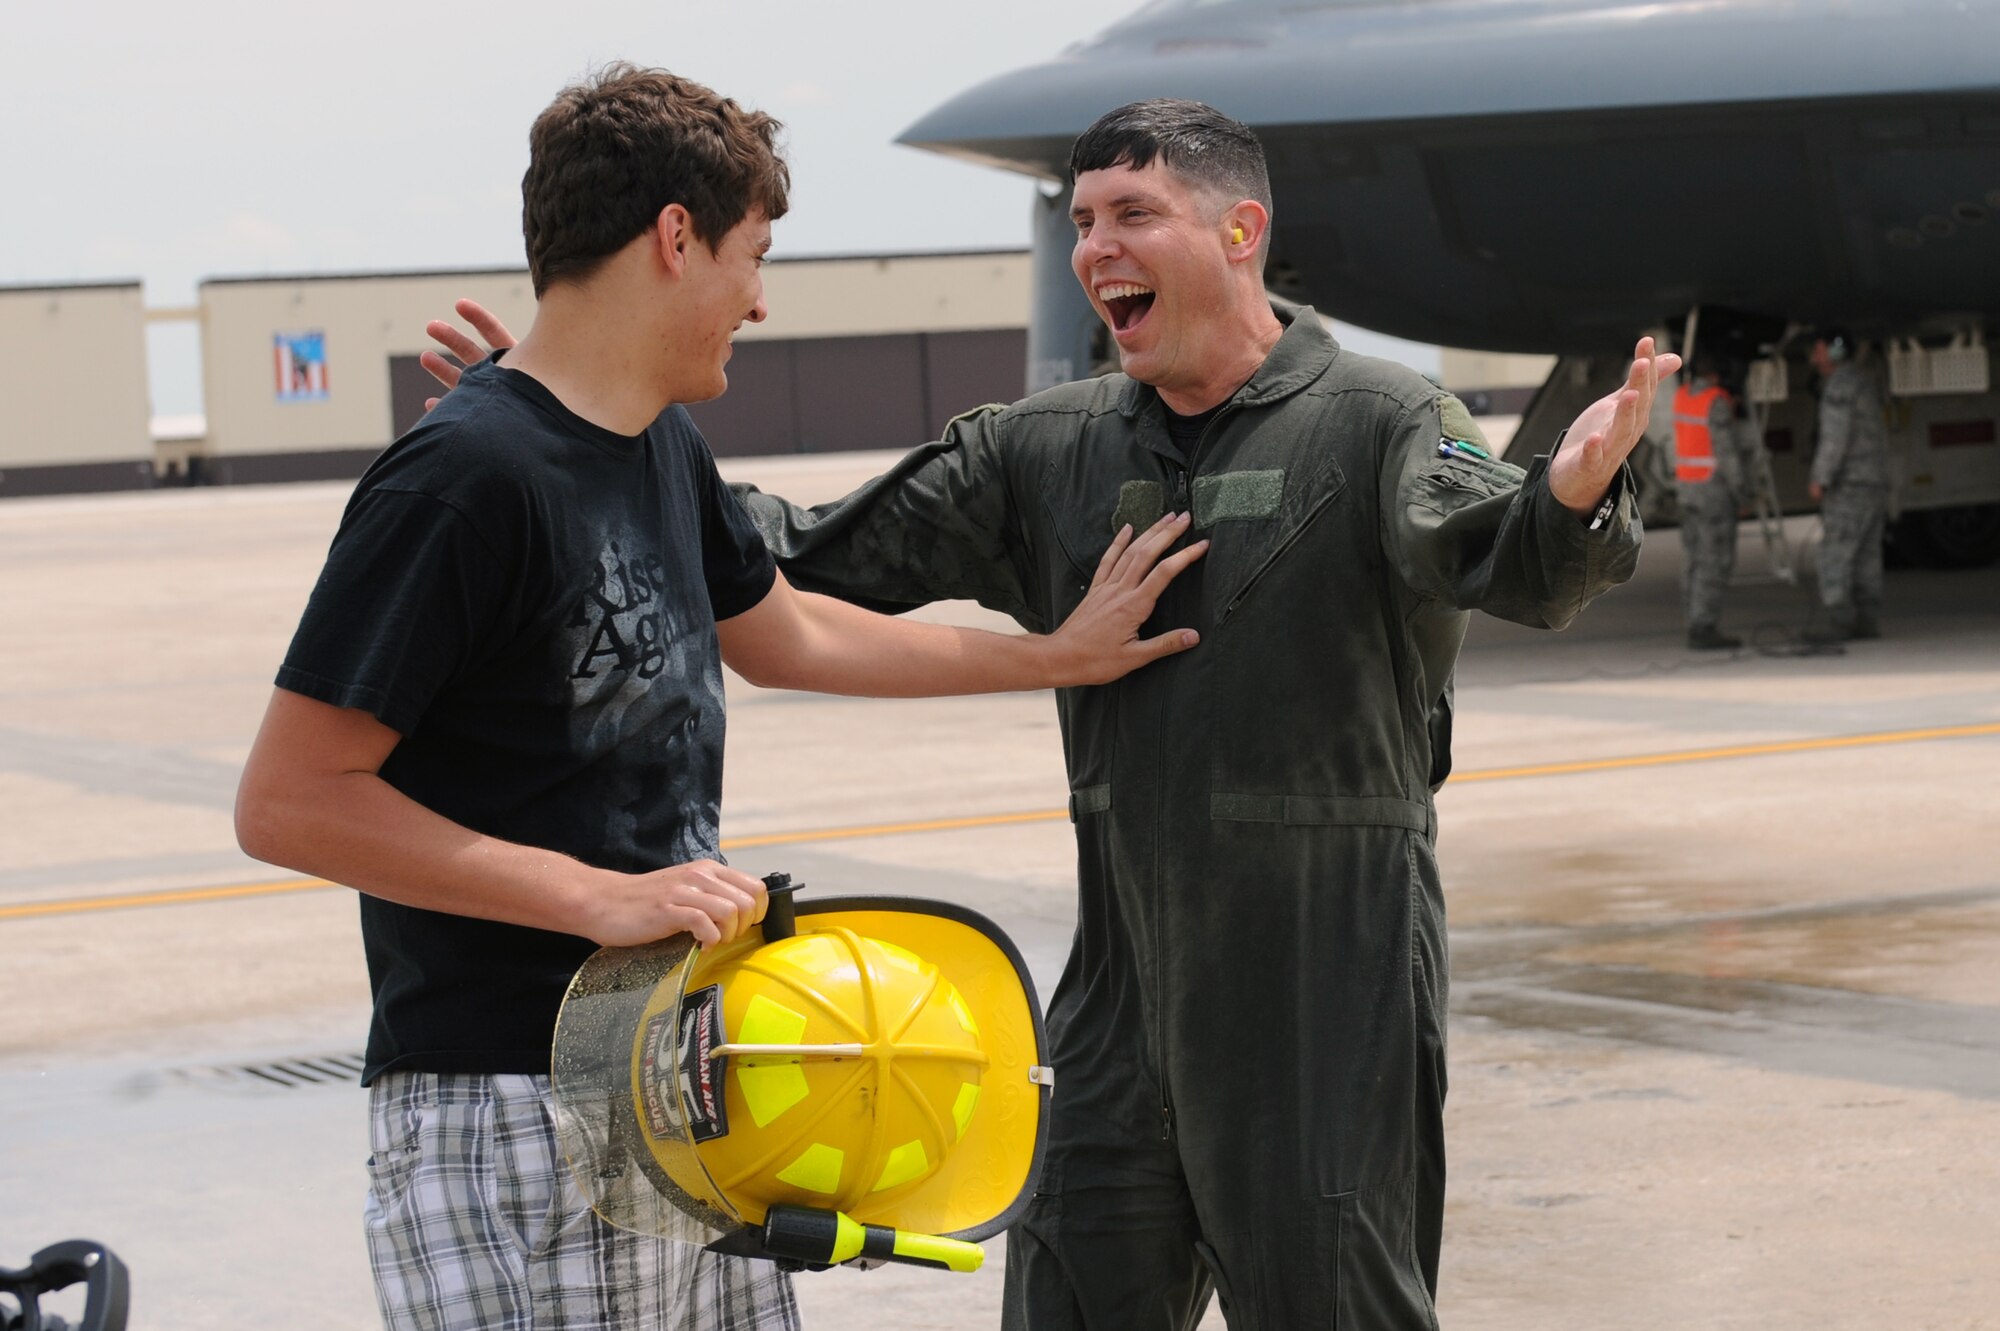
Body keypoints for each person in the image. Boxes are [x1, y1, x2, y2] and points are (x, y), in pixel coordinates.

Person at [425, 97, 1673, 1331]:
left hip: (1326, 989)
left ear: (1239, 231)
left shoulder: (1379, 419)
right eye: (1081, 222)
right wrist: (570, 421)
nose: (1095, 251)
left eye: (1133, 214)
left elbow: (1505, 554)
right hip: (1118, 998)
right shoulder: (1052, 448)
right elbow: (796, 553)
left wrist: (1570, 493)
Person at [233, 67, 1207, 1331]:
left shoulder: (653, 443)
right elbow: (289, 803)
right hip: (513, 1097)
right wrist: (601, 898)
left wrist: (1057, 654)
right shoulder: (463, 480)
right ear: (673, 237)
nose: (757, 298)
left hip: (685, 1076)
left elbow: (787, 632)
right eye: (752, 255)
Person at [1807, 330, 1889, 641]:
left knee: (1836, 552)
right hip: (1873, 481)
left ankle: (1839, 621)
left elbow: (1835, 439)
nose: (1814, 354)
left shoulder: (1839, 387)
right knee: (1868, 553)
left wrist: (1820, 478)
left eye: (1819, 346)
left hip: (1850, 485)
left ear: (1834, 352)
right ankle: (1867, 620)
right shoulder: (1862, 380)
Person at [1670, 359, 1746, 649]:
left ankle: (1694, 620)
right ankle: (1704, 627)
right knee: (1714, 562)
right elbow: (1726, 454)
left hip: (1687, 491)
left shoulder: (1682, 396)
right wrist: (1742, 493)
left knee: (1693, 560)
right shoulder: (1715, 402)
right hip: (1713, 494)